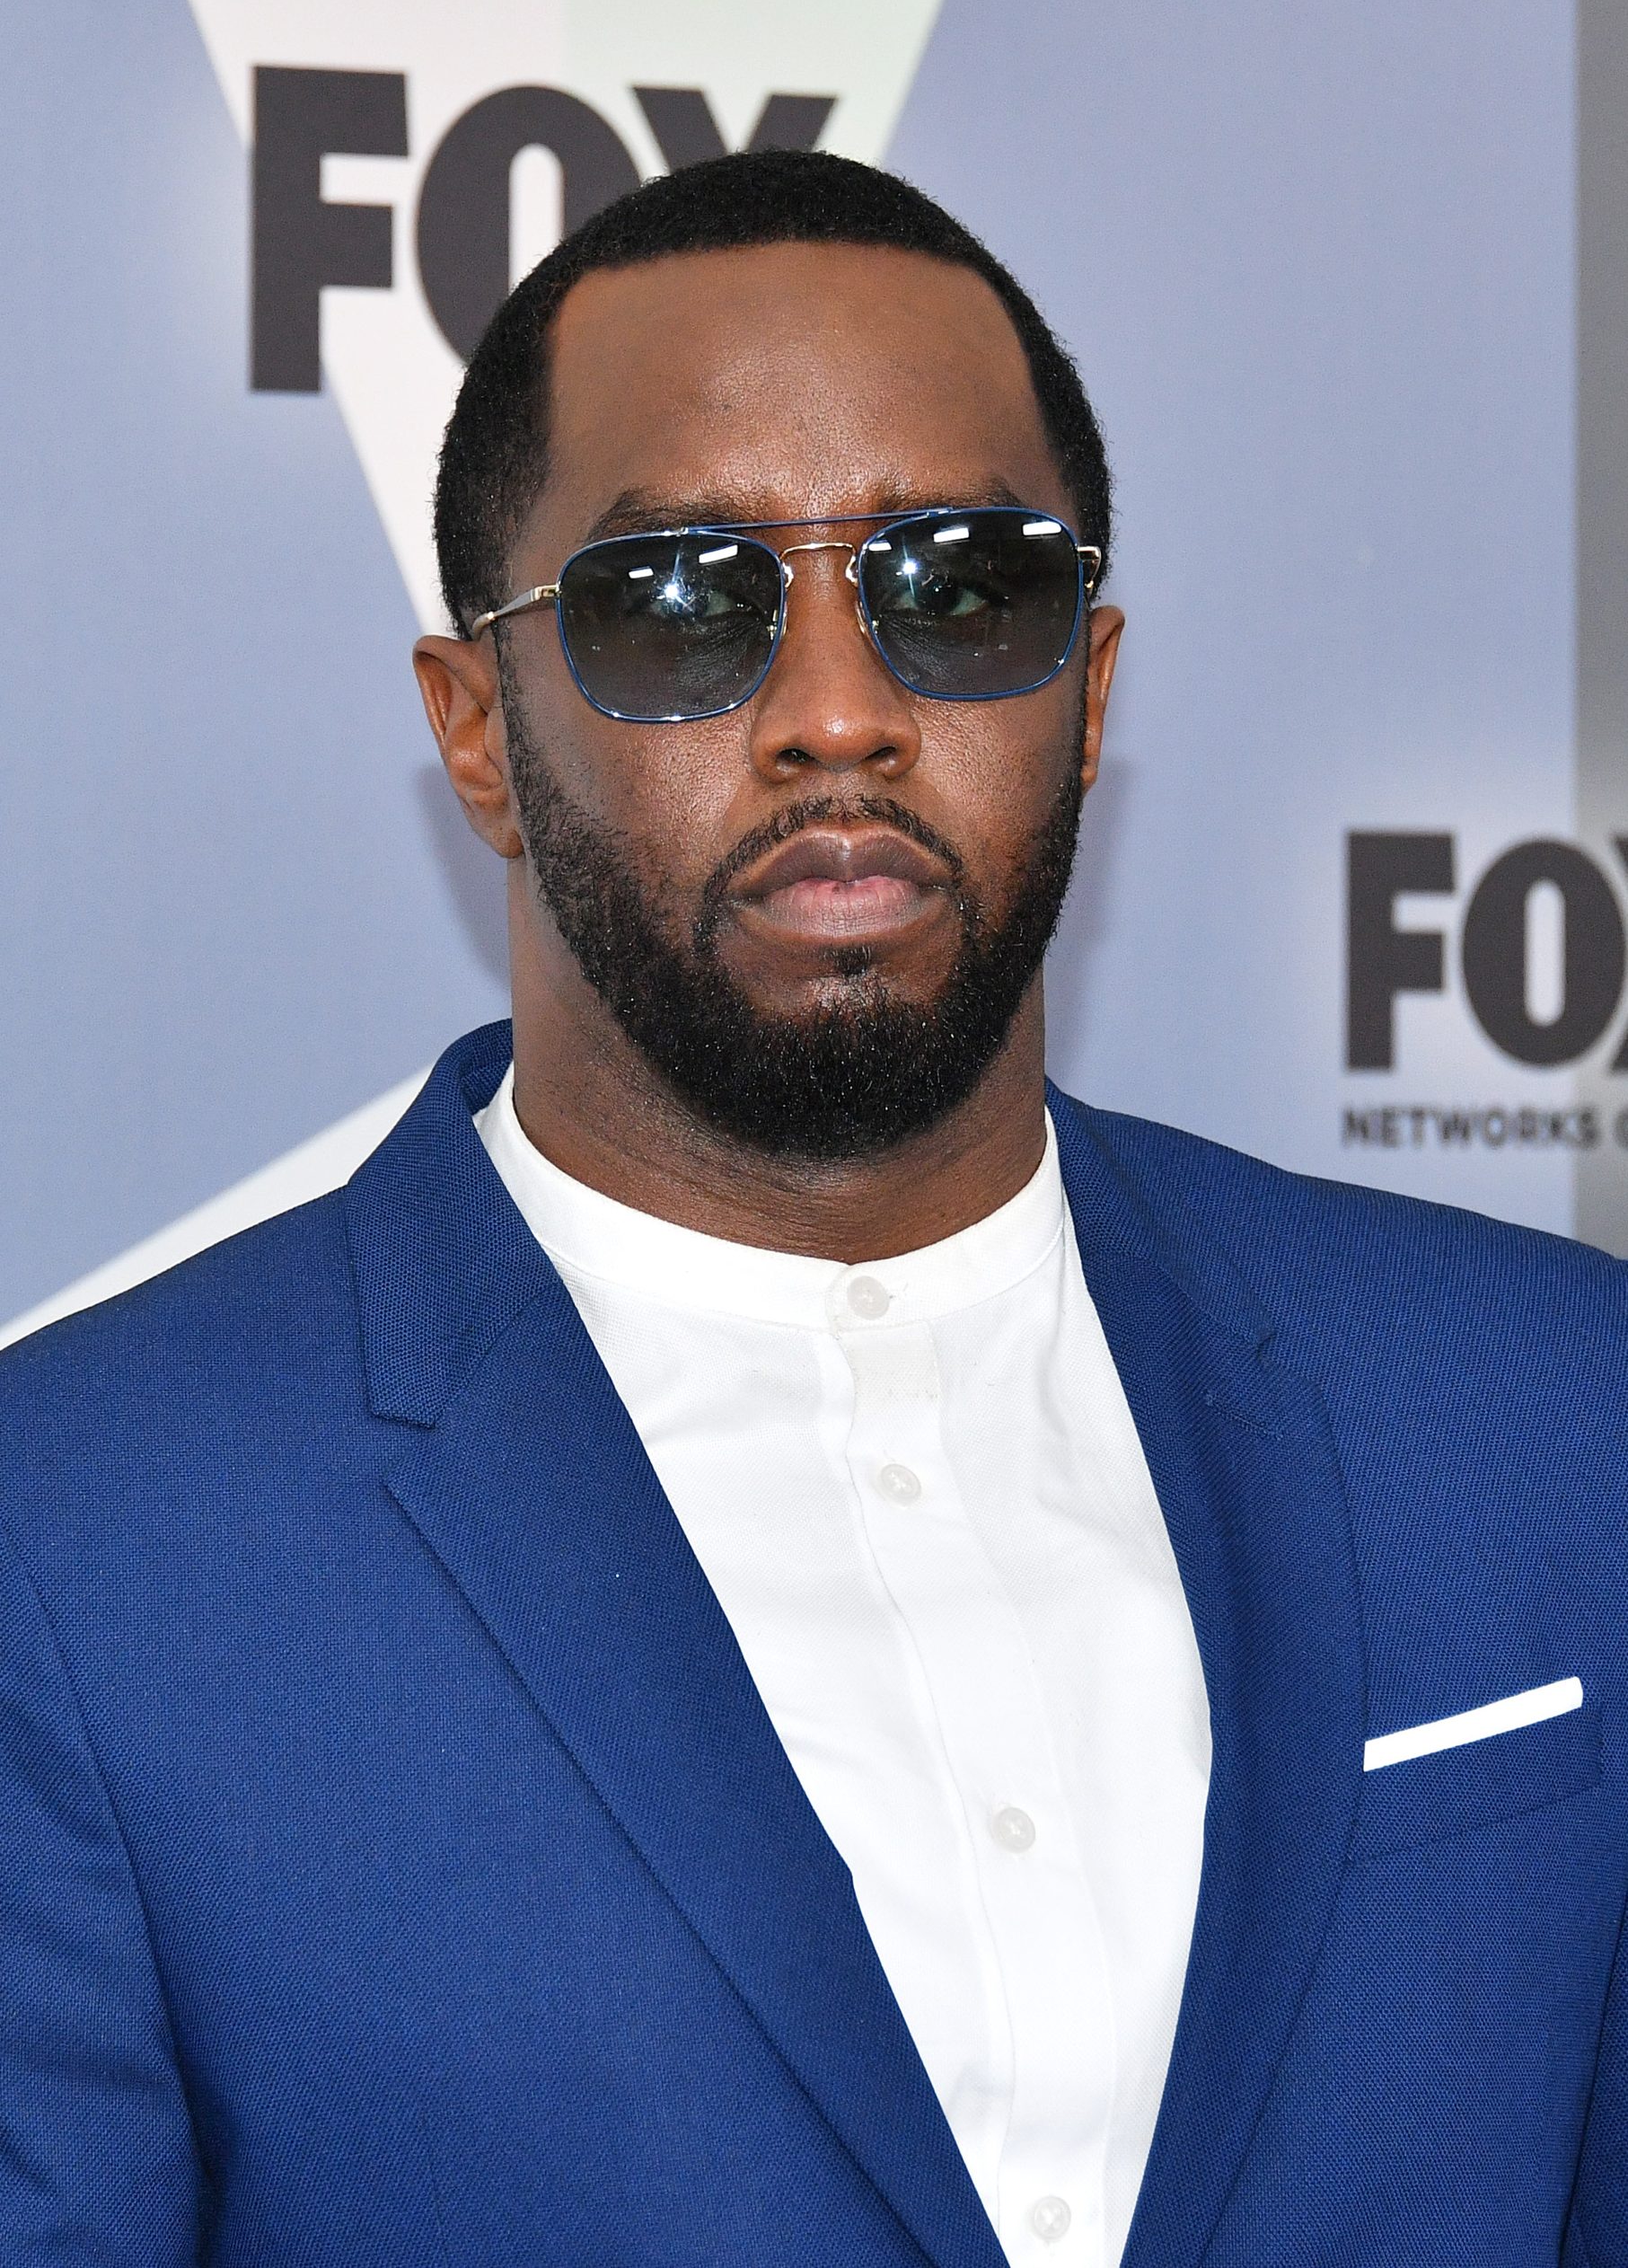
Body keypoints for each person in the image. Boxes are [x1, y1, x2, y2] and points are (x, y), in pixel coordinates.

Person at [0, 148, 1622, 2268]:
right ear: (476, 733)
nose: (843, 713)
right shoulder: (87, 1544)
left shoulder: (1549, 1421)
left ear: (1095, 689)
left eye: (963, 588)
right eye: (680, 601)